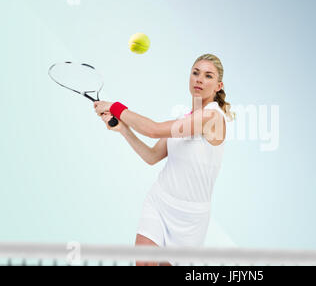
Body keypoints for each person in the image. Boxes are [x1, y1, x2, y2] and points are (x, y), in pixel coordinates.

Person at [94, 54, 235, 266]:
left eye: (208, 76)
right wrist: (124, 130)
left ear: (218, 86)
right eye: (195, 73)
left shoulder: (212, 117)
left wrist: (115, 107)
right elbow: (152, 156)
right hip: (159, 202)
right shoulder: (185, 119)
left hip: (191, 220)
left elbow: (153, 130)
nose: (199, 79)